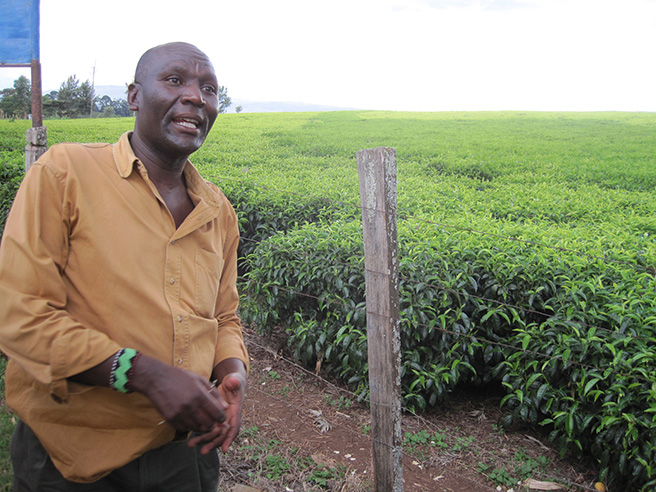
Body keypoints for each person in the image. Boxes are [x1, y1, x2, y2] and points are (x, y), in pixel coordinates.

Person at [0, 42, 249, 491]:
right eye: (175, 80)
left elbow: (224, 315)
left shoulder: (218, 211)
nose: (195, 96)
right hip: (73, 457)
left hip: (184, 456)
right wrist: (143, 373)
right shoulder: (64, 174)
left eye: (209, 88)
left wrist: (233, 372)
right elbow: (17, 314)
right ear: (134, 96)